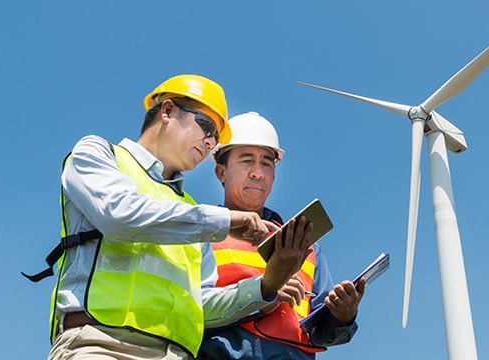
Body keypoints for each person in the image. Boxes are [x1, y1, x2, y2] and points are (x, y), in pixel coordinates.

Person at [39, 75, 310, 360]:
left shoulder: (192, 211)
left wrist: (265, 287)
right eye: (206, 127)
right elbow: (119, 216)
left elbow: (202, 304)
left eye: (215, 137)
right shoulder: (99, 154)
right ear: (167, 111)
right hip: (103, 344)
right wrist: (226, 221)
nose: (209, 143)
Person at [198, 112, 366, 360]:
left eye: (267, 163)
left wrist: (343, 317)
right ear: (221, 173)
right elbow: (188, 312)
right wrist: (266, 294)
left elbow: (319, 330)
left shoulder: (306, 246)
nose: (258, 173)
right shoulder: (202, 232)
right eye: (246, 161)